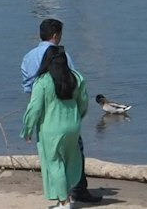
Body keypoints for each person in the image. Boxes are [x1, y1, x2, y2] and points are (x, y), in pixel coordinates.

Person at [22, 18, 102, 205]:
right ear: (56, 35)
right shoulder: (75, 76)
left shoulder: (32, 64)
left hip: (48, 120)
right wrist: (78, 116)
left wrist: (27, 127)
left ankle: (64, 201)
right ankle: (78, 190)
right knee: (74, 157)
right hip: (70, 120)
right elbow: (82, 101)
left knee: (54, 162)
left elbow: (30, 94)